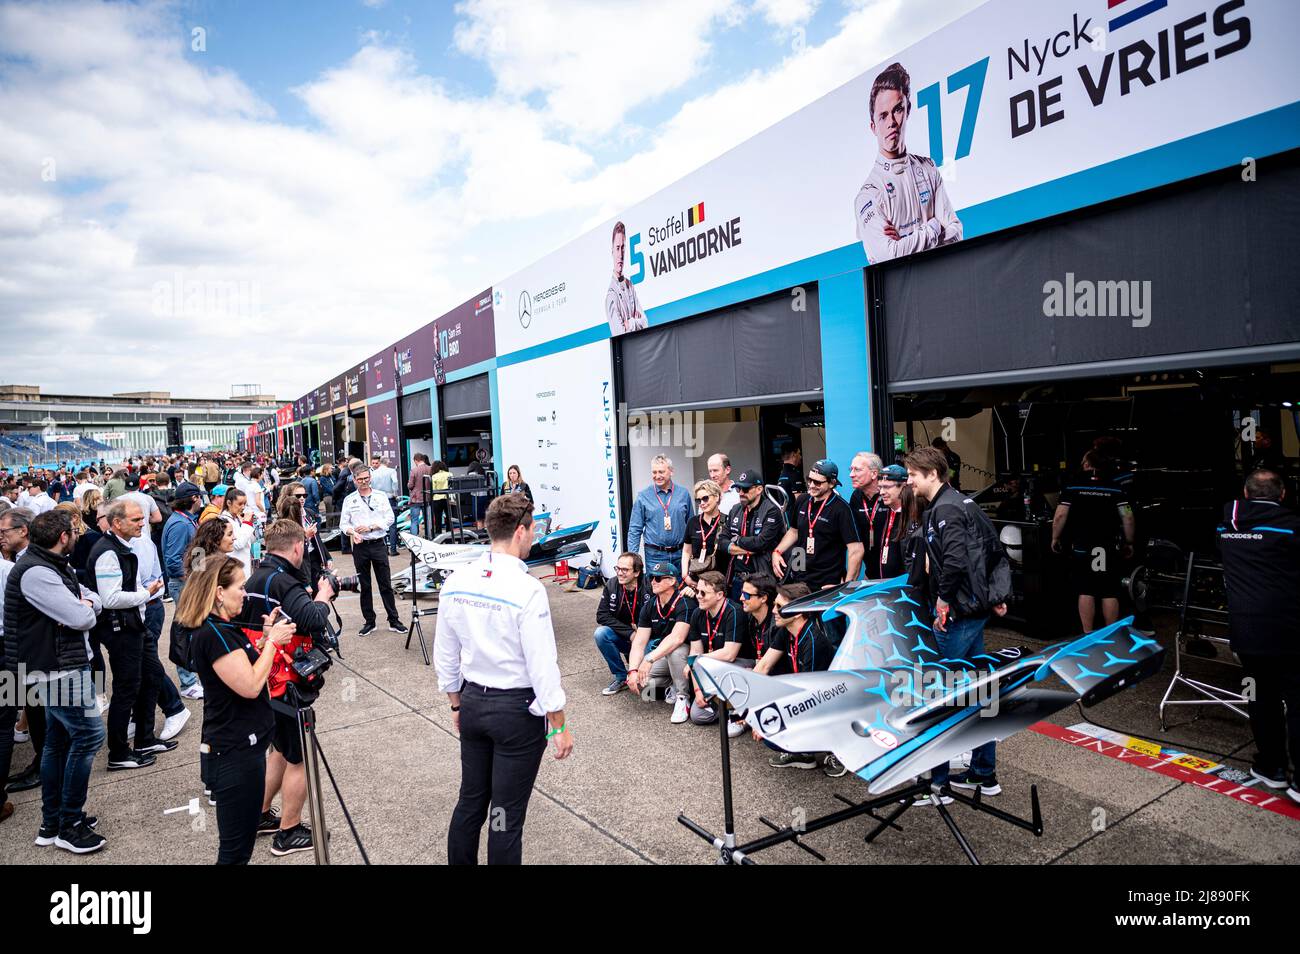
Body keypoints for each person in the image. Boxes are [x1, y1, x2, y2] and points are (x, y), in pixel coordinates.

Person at [435, 494, 572, 865]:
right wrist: (559, 723)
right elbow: (542, 664)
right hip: (516, 711)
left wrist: (456, 704)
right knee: (505, 816)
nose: (533, 538)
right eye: (532, 531)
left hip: (473, 703)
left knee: (470, 802)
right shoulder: (528, 589)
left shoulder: (457, 580)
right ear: (520, 532)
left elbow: (445, 653)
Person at [177, 554, 296, 863]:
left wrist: (264, 640)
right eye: (240, 587)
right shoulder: (213, 634)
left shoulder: (221, 629)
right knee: (235, 853)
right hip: (233, 754)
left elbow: (241, 665)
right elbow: (251, 685)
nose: (245, 593)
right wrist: (274, 644)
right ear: (219, 592)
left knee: (239, 848)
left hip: (241, 750)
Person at [905, 446, 1008, 801]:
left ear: (932, 474)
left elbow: (956, 560)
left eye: (913, 475)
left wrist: (943, 601)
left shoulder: (947, 508)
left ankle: (937, 784)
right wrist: (992, 595)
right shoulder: (960, 503)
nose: (909, 481)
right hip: (972, 610)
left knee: (938, 693)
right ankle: (983, 773)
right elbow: (989, 547)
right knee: (980, 692)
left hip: (959, 613)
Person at [6, 509, 107, 852]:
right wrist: (84, 606)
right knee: (89, 736)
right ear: (64, 537)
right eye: (74, 532)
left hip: (58, 665)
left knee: (58, 741)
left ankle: (53, 822)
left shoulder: (49, 564)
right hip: (58, 669)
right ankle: (69, 824)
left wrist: (84, 603)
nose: (77, 536)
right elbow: (81, 617)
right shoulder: (37, 571)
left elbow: (89, 599)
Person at [236, 518, 337, 856]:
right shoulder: (283, 582)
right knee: (300, 757)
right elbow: (312, 619)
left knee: (279, 750)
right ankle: (289, 831)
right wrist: (323, 595)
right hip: (286, 684)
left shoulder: (255, 578)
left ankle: (260, 815)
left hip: (265, 681)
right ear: (297, 547)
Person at [1216, 470, 1300, 806]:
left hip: (1248, 632)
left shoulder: (1227, 527)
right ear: (1282, 495)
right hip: (1290, 629)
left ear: (1246, 494)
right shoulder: (1292, 527)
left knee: (1261, 697)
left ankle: (1271, 766)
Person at [87, 499, 174, 770]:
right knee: (126, 689)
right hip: (121, 629)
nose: (142, 522)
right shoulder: (107, 552)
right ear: (116, 523)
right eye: (135, 519)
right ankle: (118, 752)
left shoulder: (123, 546)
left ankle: (144, 740)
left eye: (141, 518)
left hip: (135, 624)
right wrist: (145, 594)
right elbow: (110, 598)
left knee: (151, 678)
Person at [854, 61, 962, 263]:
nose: (891, 123)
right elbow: (890, 255)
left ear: (908, 110)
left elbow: (957, 233)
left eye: (897, 110)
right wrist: (933, 227)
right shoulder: (868, 195)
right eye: (883, 116)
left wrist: (907, 243)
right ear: (873, 126)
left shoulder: (928, 169)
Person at [761, 582, 847, 774]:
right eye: (775, 605)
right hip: (808, 696)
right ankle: (805, 754)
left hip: (827, 702)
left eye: (779, 607)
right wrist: (748, 706)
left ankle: (838, 749)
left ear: (798, 612)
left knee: (772, 730)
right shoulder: (786, 630)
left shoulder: (815, 642)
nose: (773, 611)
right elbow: (764, 665)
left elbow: (811, 697)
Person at [1051, 450, 1136, 633]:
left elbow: (1060, 516)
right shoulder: (1115, 486)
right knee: (1109, 590)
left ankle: (1088, 634)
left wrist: (1055, 537)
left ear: (1087, 464)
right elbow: (1128, 516)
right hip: (1109, 545)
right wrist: (1129, 541)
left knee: (1086, 589)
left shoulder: (1073, 485)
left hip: (1083, 545)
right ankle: (1112, 634)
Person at [339, 464, 406, 636]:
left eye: (366, 478)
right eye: (360, 479)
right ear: (354, 480)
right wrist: (353, 532)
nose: (364, 482)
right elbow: (343, 524)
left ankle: (394, 620)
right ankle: (369, 622)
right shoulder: (349, 500)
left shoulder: (380, 496)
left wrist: (372, 527)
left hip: (378, 544)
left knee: (385, 584)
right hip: (360, 547)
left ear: (370, 478)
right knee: (365, 585)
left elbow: (390, 518)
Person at [773, 459, 863, 589]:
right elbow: (794, 531)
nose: (811, 485)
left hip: (826, 583)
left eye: (817, 482)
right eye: (809, 480)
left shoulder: (841, 509)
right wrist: (777, 551)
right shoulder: (802, 500)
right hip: (800, 576)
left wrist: (847, 586)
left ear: (831, 483)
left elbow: (856, 550)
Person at [625, 561, 696, 724]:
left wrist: (649, 659)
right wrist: (633, 670)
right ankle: (674, 683)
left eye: (658, 578)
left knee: (676, 650)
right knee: (643, 685)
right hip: (665, 655)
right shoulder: (650, 605)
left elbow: (677, 638)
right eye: (651, 578)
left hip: (688, 656)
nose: (653, 582)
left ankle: (683, 698)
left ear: (672, 581)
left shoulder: (685, 602)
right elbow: (639, 642)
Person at [685, 571, 753, 734]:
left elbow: (729, 654)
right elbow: (695, 652)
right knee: (698, 716)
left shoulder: (734, 612)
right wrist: (698, 690)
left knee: (726, 667)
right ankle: (724, 707)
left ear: (719, 595)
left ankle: (740, 714)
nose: (698, 596)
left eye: (703, 593)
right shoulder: (698, 613)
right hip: (713, 667)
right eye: (696, 591)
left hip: (741, 664)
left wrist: (697, 660)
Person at [724, 469, 786, 601]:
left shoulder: (771, 510)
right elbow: (721, 541)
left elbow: (761, 542)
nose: (741, 493)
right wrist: (746, 550)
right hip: (737, 577)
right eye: (738, 489)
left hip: (760, 578)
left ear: (759, 489)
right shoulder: (735, 509)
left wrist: (737, 540)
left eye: (745, 489)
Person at [593, 552, 649, 695]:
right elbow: (601, 615)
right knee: (601, 634)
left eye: (624, 570)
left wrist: (641, 634)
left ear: (637, 572)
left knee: (651, 687)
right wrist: (630, 633)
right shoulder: (612, 584)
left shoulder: (649, 585)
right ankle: (621, 677)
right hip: (625, 637)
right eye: (617, 568)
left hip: (648, 639)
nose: (619, 573)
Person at [625, 455, 693, 570]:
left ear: (671, 471)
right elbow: (634, 529)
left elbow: (691, 525)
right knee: (657, 583)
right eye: (654, 472)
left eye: (661, 472)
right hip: (655, 556)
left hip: (681, 554)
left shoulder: (683, 494)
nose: (657, 476)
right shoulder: (643, 496)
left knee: (682, 582)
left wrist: (693, 551)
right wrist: (632, 557)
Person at [876, 464, 926, 580]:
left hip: (906, 585)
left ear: (903, 486)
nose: (881, 492)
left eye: (887, 487)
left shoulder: (914, 515)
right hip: (888, 584)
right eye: (880, 487)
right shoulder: (887, 511)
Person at [682, 478, 729, 591]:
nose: (702, 503)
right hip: (696, 580)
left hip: (720, 581)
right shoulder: (693, 522)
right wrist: (685, 575)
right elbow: (686, 551)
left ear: (717, 497)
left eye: (705, 498)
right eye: (698, 500)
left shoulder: (727, 520)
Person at [848, 452, 885, 575]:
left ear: (874, 474)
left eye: (857, 470)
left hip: (896, 574)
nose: (851, 474)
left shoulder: (889, 495)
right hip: (870, 571)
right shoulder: (856, 497)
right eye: (851, 469)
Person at [605, 221, 646, 335]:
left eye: (623, 248)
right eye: (617, 248)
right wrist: (636, 321)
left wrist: (630, 323)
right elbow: (620, 335)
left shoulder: (629, 285)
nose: (620, 254)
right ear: (612, 251)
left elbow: (645, 322)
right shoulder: (611, 296)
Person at [368, 454, 402, 555]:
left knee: (380, 523)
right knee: (392, 524)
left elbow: (370, 485)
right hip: (389, 498)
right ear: (387, 462)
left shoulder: (373, 473)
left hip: (377, 499)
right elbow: (395, 482)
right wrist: (395, 493)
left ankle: (384, 548)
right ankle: (393, 549)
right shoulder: (391, 471)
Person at [219, 488, 255, 577]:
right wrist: (247, 523)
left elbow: (251, 540)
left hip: (243, 565)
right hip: (234, 568)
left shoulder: (237, 518)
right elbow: (238, 544)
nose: (243, 507)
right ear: (229, 503)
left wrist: (249, 523)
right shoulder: (224, 520)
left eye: (244, 504)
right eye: (239, 504)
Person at [777, 445, 805, 527]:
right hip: (795, 521)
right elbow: (800, 501)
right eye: (799, 453)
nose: (800, 457)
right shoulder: (794, 474)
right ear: (793, 455)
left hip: (785, 518)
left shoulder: (782, 474)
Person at [407, 453, 432, 538]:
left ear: (416, 460)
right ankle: (429, 537)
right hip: (427, 497)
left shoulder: (414, 470)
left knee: (414, 520)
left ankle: (414, 539)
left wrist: (408, 485)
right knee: (428, 519)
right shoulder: (430, 469)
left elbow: (410, 485)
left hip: (416, 498)